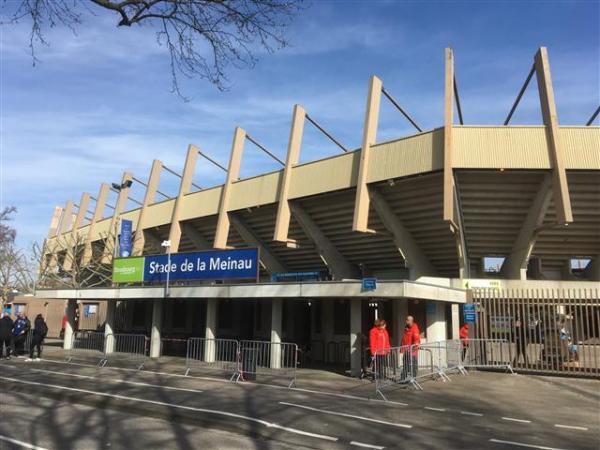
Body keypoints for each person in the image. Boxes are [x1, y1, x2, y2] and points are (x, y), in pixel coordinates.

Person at [401, 315, 420, 380]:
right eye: (406, 319)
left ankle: (414, 378)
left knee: (413, 365)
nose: (405, 321)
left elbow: (416, 339)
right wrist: (402, 349)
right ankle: (403, 378)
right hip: (406, 350)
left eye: (407, 320)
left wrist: (414, 348)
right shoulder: (406, 328)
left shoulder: (414, 328)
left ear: (410, 321)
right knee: (405, 364)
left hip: (412, 351)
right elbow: (404, 339)